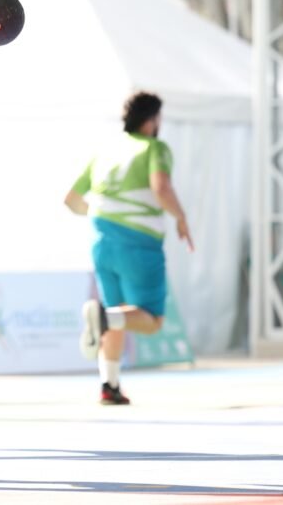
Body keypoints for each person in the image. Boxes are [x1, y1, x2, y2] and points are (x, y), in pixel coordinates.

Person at [66, 92, 193, 405]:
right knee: (150, 319)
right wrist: (181, 218)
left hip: (101, 241)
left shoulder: (105, 151)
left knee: (117, 311)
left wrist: (104, 215)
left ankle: (109, 386)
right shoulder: (154, 148)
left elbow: (71, 199)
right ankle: (103, 319)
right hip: (139, 243)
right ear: (151, 120)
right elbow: (161, 187)